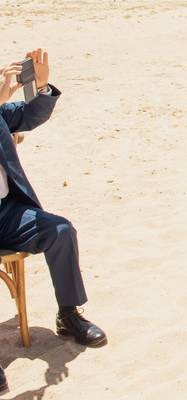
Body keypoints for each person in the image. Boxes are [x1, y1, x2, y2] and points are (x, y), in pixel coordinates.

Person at [0, 49, 107, 349]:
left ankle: (69, 315)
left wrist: (43, 87)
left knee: (60, 231)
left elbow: (32, 115)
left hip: (6, 214)